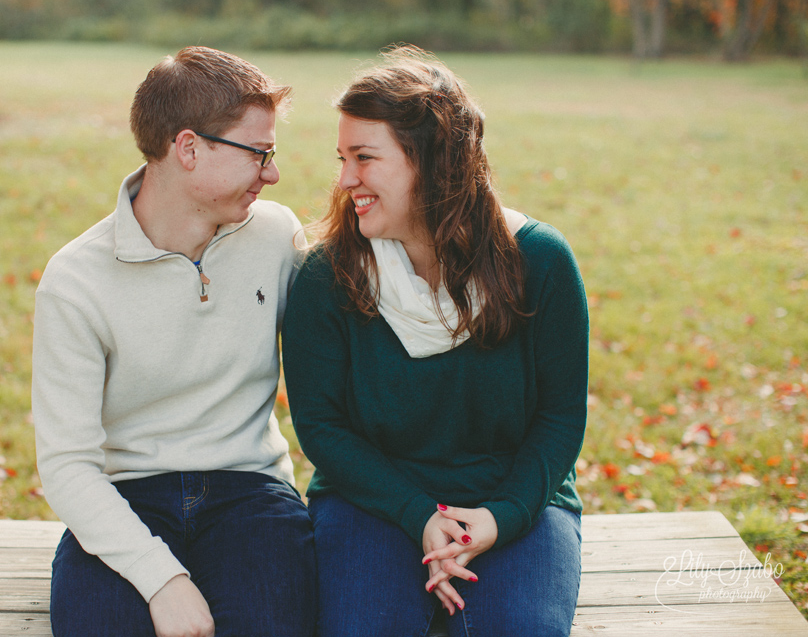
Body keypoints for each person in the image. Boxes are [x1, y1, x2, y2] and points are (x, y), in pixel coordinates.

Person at [281, 45, 588, 636]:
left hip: (514, 500)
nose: (346, 180)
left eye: (364, 158)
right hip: (370, 500)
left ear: (434, 161)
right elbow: (321, 427)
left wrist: (502, 517)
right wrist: (417, 513)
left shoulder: (540, 261)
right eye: (342, 158)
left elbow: (558, 420)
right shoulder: (330, 274)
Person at [32, 46, 315, 637]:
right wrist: (162, 580)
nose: (273, 173)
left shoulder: (275, 236)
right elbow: (67, 466)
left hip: (252, 492)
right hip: (125, 497)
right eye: (258, 153)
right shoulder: (76, 278)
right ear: (188, 148)